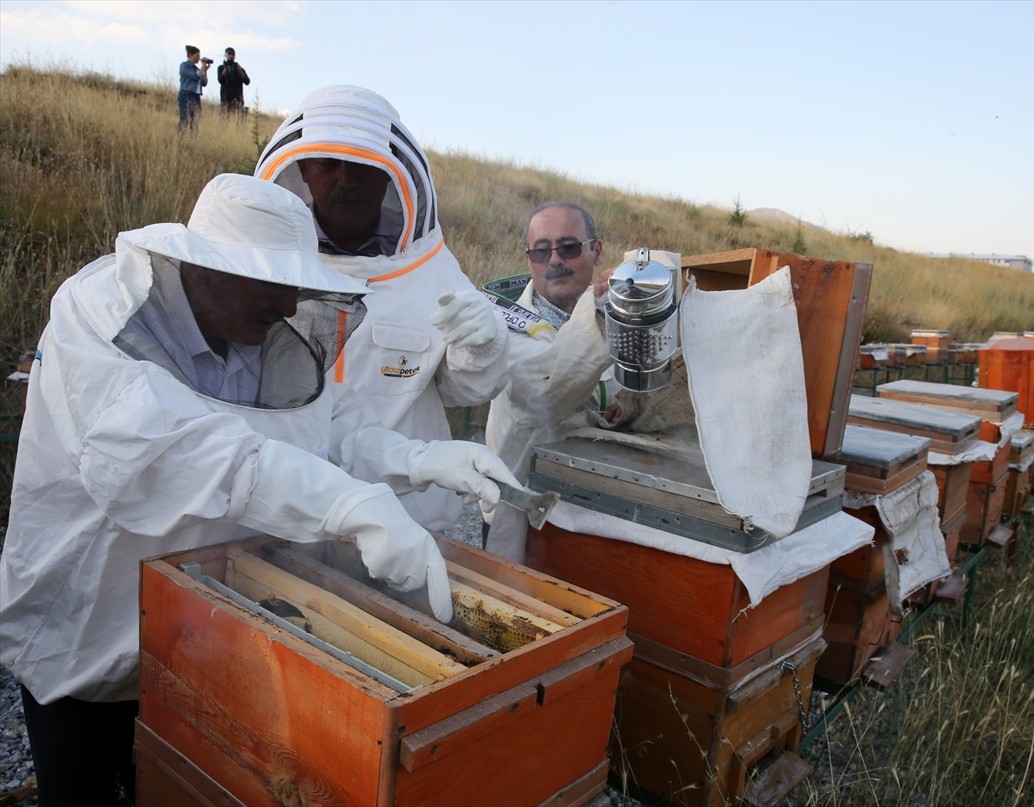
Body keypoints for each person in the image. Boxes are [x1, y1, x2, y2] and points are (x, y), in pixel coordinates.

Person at [0, 173, 520, 806]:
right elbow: (178, 454)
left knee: (176, 783)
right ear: (203, 269)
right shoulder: (98, 319)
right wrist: (345, 505)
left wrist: (420, 458)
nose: (284, 306)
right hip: (88, 620)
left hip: (200, 625)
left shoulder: (264, 336)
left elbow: (327, 433)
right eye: (270, 284)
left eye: (294, 288)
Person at [255, 84, 510, 532]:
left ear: (389, 174)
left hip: (410, 517)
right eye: (328, 164)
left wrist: (482, 347)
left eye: (362, 166)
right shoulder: (265, 263)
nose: (346, 180)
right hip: (290, 513)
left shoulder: (429, 268)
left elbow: (464, 392)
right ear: (303, 171)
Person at [483, 202, 630, 561]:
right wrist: (595, 314)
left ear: (596, 250)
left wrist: (624, 409)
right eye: (541, 250)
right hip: (521, 501)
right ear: (528, 258)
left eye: (568, 247)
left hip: (593, 508)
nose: (554, 260)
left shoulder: (618, 315)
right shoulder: (500, 324)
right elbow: (544, 393)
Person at [177, 45, 209, 132]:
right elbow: (194, 76)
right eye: (197, 56)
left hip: (196, 96)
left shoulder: (197, 69)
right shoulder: (184, 66)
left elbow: (204, 83)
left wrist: (205, 71)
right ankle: (179, 139)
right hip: (186, 95)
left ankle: (193, 141)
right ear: (190, 54)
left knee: (195, 121)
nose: (199, 58)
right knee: (185, 119)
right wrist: (202, 67)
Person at [216, 46, 250, 117]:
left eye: (232, 54)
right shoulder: (221, 68)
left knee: (237, 119)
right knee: (224, 118)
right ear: (225, 55)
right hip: (225, 99)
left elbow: (247, 81)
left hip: (238, 99)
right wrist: (224, 72)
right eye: (229, 54)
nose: (231, 56)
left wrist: (240, 71)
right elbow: (220, 80)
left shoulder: (239, 68)